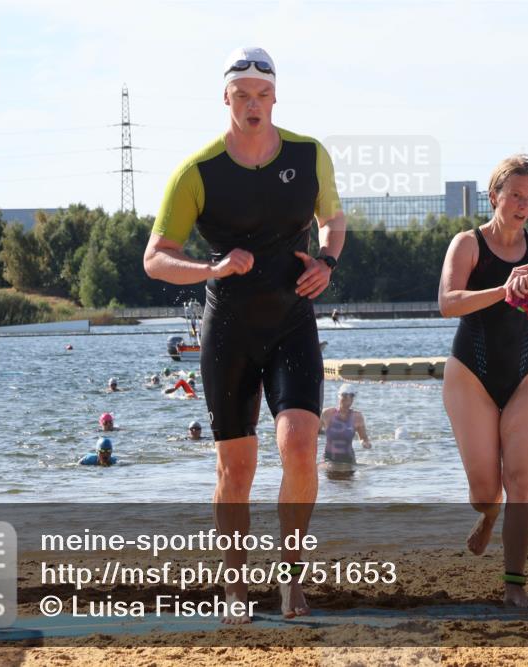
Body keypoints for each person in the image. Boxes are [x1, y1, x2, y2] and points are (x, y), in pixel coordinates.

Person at [143, 46, 346, 623]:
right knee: (237, 469)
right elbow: (155, 259)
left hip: (292, 320)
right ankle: (235, 585)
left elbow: (333, 218)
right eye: (242, 96)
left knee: (301, 446)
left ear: (275, 97)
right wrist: (209, 269)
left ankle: (292, 581)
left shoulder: (309, 156)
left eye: (262, 95)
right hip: (228, 326)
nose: (253, 105)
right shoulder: (197, 172)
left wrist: (327, 262)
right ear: (225, 98)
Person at [438, 154, 528, 607]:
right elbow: (448, 302)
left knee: (522, 480)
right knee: (487, 491)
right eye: (515, 195)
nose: (523, 204)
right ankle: (488, 515)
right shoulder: (467, 243)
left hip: (526, 374)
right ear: (494, 196)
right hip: (470, 375)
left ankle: (514, 585)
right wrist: (503, 289)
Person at [320, 384, 371, 464]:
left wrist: (365, 443)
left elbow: (363, 438)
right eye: (344, 395)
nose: (348, 399)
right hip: (329, 458)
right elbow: (315, 432)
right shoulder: (327, 413)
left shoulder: (357, 417)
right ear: (339, 396)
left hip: (348, 459)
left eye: (351, 396)